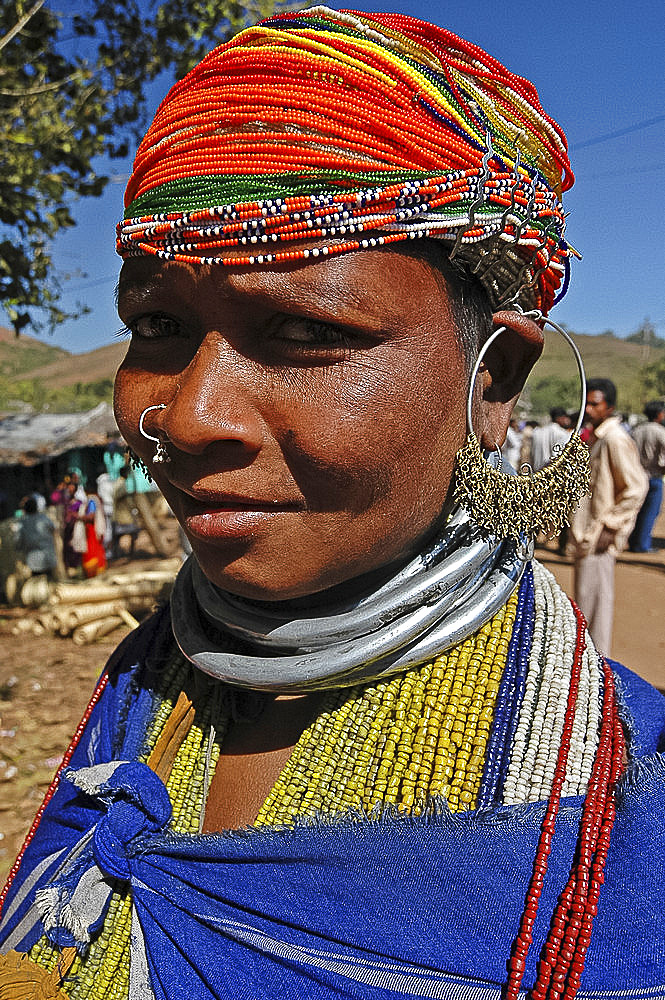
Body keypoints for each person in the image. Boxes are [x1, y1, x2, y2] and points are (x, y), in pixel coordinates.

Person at [1, 11, 663, 999]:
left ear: (495, 381)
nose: (187, 417)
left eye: (300, 329)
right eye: (157, 323)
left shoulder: (621, 811)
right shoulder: (134, 694)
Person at [570, 378, 648, 654]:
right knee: (586, 606)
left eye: (595, 403)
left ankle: (596, 673)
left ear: (610, 407)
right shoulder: (597, 436)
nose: (588, 408)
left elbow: (636, 488)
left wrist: (610, 526)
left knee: (595, 614)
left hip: (597, 538)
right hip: (587, 535)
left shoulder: (615, 439)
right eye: (586, 402)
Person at [628, 399, 665, 552]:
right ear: (659, 414)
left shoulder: (637, 430)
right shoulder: (659, 431)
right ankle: (642, 545)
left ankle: (633, 541)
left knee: (637, 511)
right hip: (654, 476)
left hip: (637, 475)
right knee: (651, 512)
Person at [14, 496, 57, 578]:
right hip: (49, 559)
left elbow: (18, 543)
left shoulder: (22, 524)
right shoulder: (44, 518)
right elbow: (53, 529)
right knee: (49, 583)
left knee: (37, 586)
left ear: (25, 509)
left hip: (34, 562)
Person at [529, 407, 572, 472]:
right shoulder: (561, 433)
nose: (567, 420)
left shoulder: (537, 432)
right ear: (559, 418)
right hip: (551, 474)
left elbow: (532, 455)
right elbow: (557, 456)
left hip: (537, 473)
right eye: (565, 417)